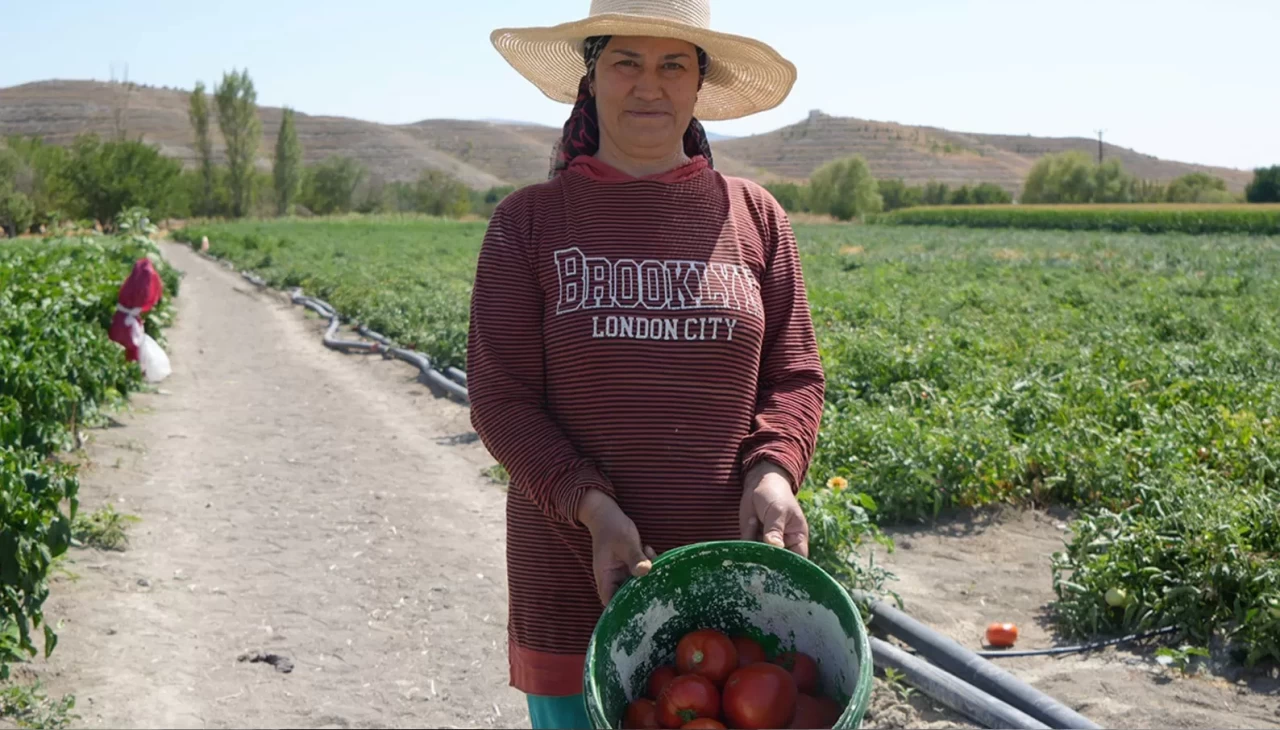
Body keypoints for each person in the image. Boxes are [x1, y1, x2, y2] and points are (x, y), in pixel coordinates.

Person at [469, 1, 824, 727]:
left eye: (673, 65)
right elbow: (501, 400)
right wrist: (594, 510)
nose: (648, 85)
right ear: (590, 79)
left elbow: (794, 376)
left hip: (724, 592)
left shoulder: (756, 217)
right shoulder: (527, 222)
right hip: (577, 580)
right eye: (626, 62)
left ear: (699, 86)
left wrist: (774, 472)